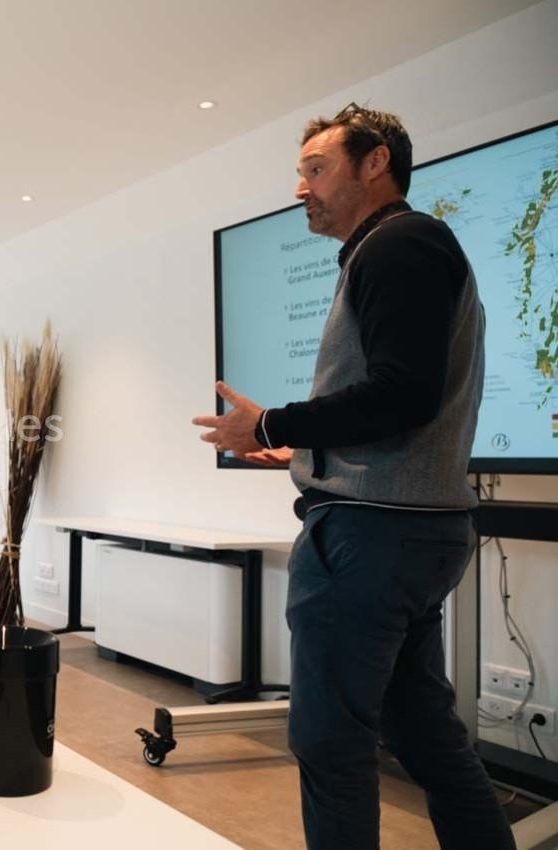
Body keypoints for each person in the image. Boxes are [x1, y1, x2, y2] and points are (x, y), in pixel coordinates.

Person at [191, 104, 514, 850]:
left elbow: (404, 393)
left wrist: (272, 425)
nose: (301, 189)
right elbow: (406, 402)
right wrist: (302, 455)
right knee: (422, 730)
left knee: (330, 744)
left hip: (373, 536)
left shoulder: (400, 244)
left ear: (376, 164)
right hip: (407, 528)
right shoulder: (398, 249)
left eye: (316, 169)